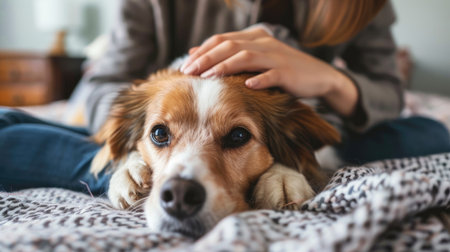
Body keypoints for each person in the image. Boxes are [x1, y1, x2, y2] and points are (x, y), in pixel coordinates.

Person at [1, 0, 449, 195]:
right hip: (157, 102)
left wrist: (328, 79)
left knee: (430, 132)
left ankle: (296, 157)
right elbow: (105, 83)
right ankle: (119, 171)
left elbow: (389, 91)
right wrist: (145, 130)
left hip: (297, 120)